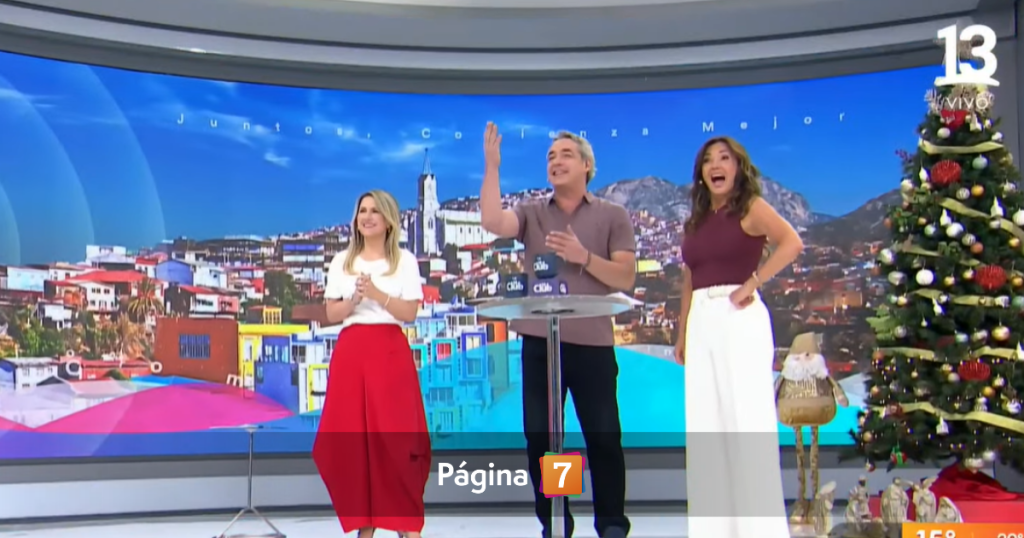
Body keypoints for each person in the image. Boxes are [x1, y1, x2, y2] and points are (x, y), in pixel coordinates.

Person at [479, 123, 636, 538]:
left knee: (603, 436)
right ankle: (557, 520)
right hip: (541, 342)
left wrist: (585, 257)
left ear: (587, 166)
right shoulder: (532, 212)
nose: (556, 161)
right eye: (550, 156)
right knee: (546, 440)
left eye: (566, 154)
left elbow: (625, 276)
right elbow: (492, 220)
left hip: (592, 343)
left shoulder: (613, 215)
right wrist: (492, 167)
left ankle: (611, 524)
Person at [674, 136, 804, 538]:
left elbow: (792, 242)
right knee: (706, 428)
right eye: (708, 160)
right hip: (701, 322)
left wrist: (754, 282)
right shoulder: (695, 221)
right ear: (701, 173)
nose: (716, 165)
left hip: (739, 319)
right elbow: (689, 278)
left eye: (724, 158)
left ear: (738, 167)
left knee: (745, 423)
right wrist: (682, 332)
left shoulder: (751, 208)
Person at [312, 190, 430, 538]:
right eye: (362, 210)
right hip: (352, 356)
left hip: (389, 354)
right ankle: (365, 526)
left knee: (396, 442)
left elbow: (409, 313)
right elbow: (332, 313)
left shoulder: (404, 261)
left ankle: (405, 523)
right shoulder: (342, 262)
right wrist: (354, 299)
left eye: (375, 211)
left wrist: (378, 295)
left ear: (389, 220)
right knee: (354, 444)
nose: (367, 217)